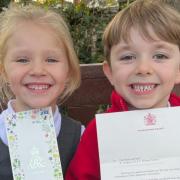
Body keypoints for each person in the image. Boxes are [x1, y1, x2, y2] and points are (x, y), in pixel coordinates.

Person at [65, 0, 180, 179]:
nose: (143, 68)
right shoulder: (98, 134)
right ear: (110, 72)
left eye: (160, 55)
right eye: (128, 57)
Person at [0, 3, 84, 180]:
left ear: (68, 70)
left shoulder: (81, 137)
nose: (38, 70)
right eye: (22, 60)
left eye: (51, 59)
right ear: (4, 71)